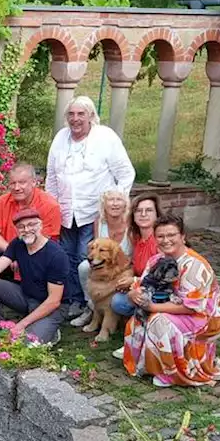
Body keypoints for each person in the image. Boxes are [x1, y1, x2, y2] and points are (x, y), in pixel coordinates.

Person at [122, 214, 220, 387]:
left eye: (171, 235)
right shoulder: (156, 260)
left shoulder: (195, 265)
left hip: (206, 316)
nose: (166, 240)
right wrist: (133, 294)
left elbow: (191, 308)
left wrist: (152, 307)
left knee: (159, 321)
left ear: (182, 236)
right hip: (169, 305)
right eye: (161, 236)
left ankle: (173, 374)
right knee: (138, 319)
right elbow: (142, 285)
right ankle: (147, 365)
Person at [46, 95, 135, 321]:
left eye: (81, 114)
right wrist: (52, 206)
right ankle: (72, 301)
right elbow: (51, 176)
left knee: (84, 259)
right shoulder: (60, 138)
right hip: (65, 212)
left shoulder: (105, 137)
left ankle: (90, 306)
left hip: (93, 213)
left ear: (91, 116)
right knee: (65, 258)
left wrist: (116, 204)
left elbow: (126, 173)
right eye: (71, 114)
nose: (75, 119)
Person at [0, 207, 69, 343]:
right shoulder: (17, 244)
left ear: (41, 225)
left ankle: (50, 332)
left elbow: (54, 301)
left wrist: (21, 325)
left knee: (27, 342)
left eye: (31, 225)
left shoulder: (56, 255)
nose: (27, 230)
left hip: (52, 306)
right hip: (27, 297)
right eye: (21, 227)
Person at [0, 163, 62, 277]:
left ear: (34, 183)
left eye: (22, 182)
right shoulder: (2, 201)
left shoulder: (50, 205)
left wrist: (21, 257)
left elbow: (45, 244)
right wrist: (12, 253)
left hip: (36, 257)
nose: (16, 188)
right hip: (7, 253)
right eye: (13, 183)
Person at [107, 193, 163, 358]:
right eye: (139, 211)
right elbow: (135, 264)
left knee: (121, 301)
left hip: (160, 290)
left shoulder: (160, 240)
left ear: (157, 215)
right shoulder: (137, 237)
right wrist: (129, 276)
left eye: (148, 211)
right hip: (142, 285)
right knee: (117, 298)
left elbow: (160, 277)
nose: (143, 214)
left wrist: (134, 281)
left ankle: (139, 340)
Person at [70, 188, 131, 327]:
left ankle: (113, 315)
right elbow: (97, 249)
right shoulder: (99, 222)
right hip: (105, 264)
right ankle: (90, 307)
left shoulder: (131, 224)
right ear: (104, 204)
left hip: (125, 266)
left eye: (119, 200)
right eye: (111, 200)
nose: (114, 204)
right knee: (84, 267)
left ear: (125, 204)